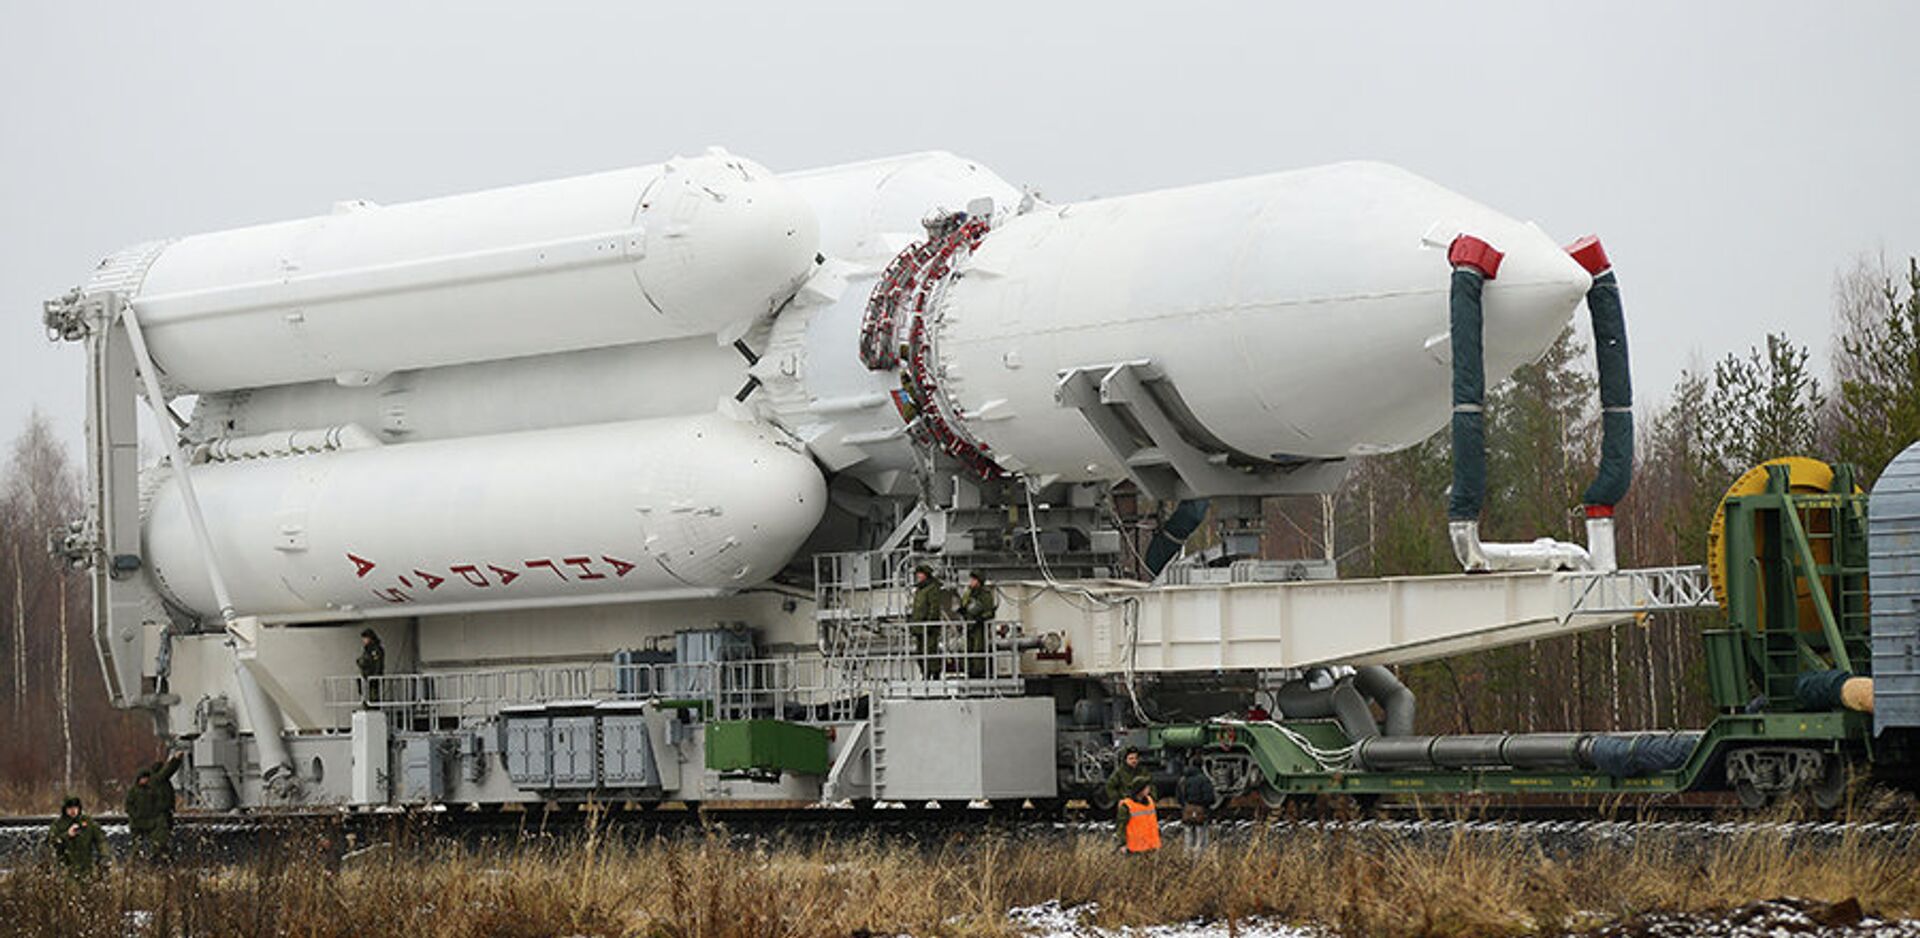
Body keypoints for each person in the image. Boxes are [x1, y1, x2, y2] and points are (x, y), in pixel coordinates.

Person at [126, 752, 184, 859]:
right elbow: (128, 805)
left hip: (156, 818)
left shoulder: (151, 786)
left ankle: (160, 859)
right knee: (151, 844)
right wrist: (176, 759)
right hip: (149, 820)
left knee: (157, 843)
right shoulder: (157, 780)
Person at [47, 795, 108, 879]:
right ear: (65, 809)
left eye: (75, 807)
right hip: (66, 869)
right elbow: (51, 842)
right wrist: (67, 835)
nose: (73, 810)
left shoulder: (87, 822)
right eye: (70, 808)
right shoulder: (58, 825)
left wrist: (104, 855)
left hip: (86, 868)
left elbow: (101, 839)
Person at [1104, 747, 1154, 846]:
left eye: (1135, 758)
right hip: (1128, 804)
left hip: (1141, 804)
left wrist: (1151, 798)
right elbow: (1109, 786)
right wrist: (1119, 799)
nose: (1134, 761)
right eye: (1131, 758)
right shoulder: (1120, 772)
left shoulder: (1143, 771)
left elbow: (1151, 785)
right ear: (1126, 760)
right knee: (1125, 827)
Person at [907, 564, 951, 676]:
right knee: (920, 653)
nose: (918, 576)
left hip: (929, 627)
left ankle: (934, 673)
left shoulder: (932, 588)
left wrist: (930, 623)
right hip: (919, 627)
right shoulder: (919, 590)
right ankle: (924, 672)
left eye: (920, 574)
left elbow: (933, 607)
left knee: (930, 651)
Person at [958, 571, 997, 679]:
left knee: (978, 648)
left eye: (973, 580)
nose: (971, 582)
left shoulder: (985, 594)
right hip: (969, 625)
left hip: (979, 626)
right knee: (967, 648)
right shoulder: (968, 592)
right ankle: (968, 670)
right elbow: (964, 604)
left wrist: (981, 618)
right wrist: (963, 611)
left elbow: (989, 611)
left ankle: (978, 672)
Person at [1177, 761, 1218, 851]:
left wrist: (1185, 806)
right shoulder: (1204, 779)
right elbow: (1210, 798)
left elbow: (1179, 798)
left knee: (1188, 836)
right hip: (1201, 812)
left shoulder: (1183, 780)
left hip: (1187, 812)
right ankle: (1199, 858)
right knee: (1201, 837)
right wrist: (1206, 806)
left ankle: (1186, 858)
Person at [1119, 782, 1162, 854]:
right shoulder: (1127, 805)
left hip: (1151, 846)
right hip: (1134, 848)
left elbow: (1153, 821)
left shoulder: (1150, 801)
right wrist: (1122, 844)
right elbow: (1121, 826)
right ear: (1139, 790)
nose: (1149, 790)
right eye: (1146, 788)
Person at [357, 628, 385, 704]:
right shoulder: (368, 649)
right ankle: (366, 702)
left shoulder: (375, 649)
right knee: (364, 690)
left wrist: (375, 676)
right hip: (367, 675)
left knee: (373, 694)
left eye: (365, 638)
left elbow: (377, 663)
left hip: (372, 676)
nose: (363, 641)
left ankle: (373, 705)